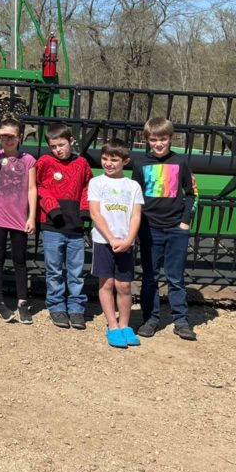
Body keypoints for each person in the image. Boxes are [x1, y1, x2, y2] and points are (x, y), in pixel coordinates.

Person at [133, 117, 198, 341]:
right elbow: (135, 198)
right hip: (149, 228)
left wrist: (185, 221)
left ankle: (181, 321)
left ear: (170, 139)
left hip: (175, 228)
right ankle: (150, 319)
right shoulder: (140, 164)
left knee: (175, 277)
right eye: (153, 140)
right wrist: (138, 228)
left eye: (162, 139)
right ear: (147, 141)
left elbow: (192, 193)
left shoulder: (181, 162)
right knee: (150, 276)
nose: (158, 144)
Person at [0, 115, 37, 325]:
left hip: (20, 217)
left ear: (20, 137)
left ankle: (22, 302)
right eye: (4, 137)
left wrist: (31, 216)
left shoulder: (28, 159)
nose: (8, 140)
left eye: (12, 136)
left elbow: (32, 189)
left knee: (20, 261)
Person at [35, 123, 93, 330]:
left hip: (75, 227)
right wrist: (53, 209)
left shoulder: (82, 164)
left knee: (76, 271)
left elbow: (88, 186)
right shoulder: (45, 162)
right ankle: (56, 305)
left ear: (71, 142)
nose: (58, 150)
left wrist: (85, 211)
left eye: (61, 145)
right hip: (52, 225)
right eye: (53, 146)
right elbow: (38, 186)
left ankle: (76, 307)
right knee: (54, 270)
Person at [88, 139, 144, 348]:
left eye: (114, 160)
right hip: (104, 241)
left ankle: (124, 325)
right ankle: (112, 325)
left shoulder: (133, 186)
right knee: (107, 283)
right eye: (105, 159)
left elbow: (136, 216)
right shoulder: (97, 182)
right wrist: (111, 238)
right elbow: (95, 213)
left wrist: (128, 240)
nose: (108, 163)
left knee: (124, 285)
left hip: (125, 242)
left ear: (125, 161)